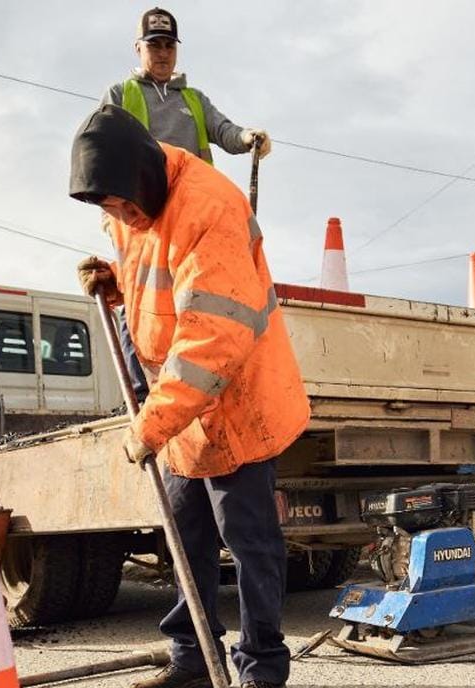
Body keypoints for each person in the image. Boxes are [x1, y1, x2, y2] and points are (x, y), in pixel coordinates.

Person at [69, 104, 309, 688]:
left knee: (248, 540)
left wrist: (149, 425)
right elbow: (160, 278)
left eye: (121, 207)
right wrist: (116, 281)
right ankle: (194, 658)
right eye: (108, 212)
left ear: (142, 180)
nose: (117, 218)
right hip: (181, 408)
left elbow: (210, 339)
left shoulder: (213, 209)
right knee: (184, 537)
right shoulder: (132, 200)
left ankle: (263, 670)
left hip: (236, 400)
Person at [100, 7, 272, 403]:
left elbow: (223, 131)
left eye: (168, 46)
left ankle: (196, 380)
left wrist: (248, 137)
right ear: (138, 48)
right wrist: (112, 214)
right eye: (154, 45)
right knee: (135, 293)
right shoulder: (121, 95)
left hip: (190, 213)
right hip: (138, 215)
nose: (162, 54)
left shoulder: (193, 99)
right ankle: (143, 392)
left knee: (194, 293)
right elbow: (103, 148)